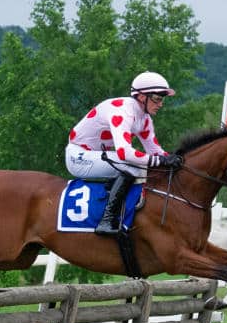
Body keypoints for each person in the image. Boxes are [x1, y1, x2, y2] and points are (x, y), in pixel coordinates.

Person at [66, 71, 182, 235]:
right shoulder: (123, 111)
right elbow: (124, 153)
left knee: (141, 166)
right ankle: (106, 221)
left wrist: (175, 159)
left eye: (162, 99)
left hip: (99, 157)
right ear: (142, 97)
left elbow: (155, 151)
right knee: (131, 166)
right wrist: (159, 161)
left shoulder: (145, 119)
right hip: (78, 157)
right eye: (157, 98)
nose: (161, 104)